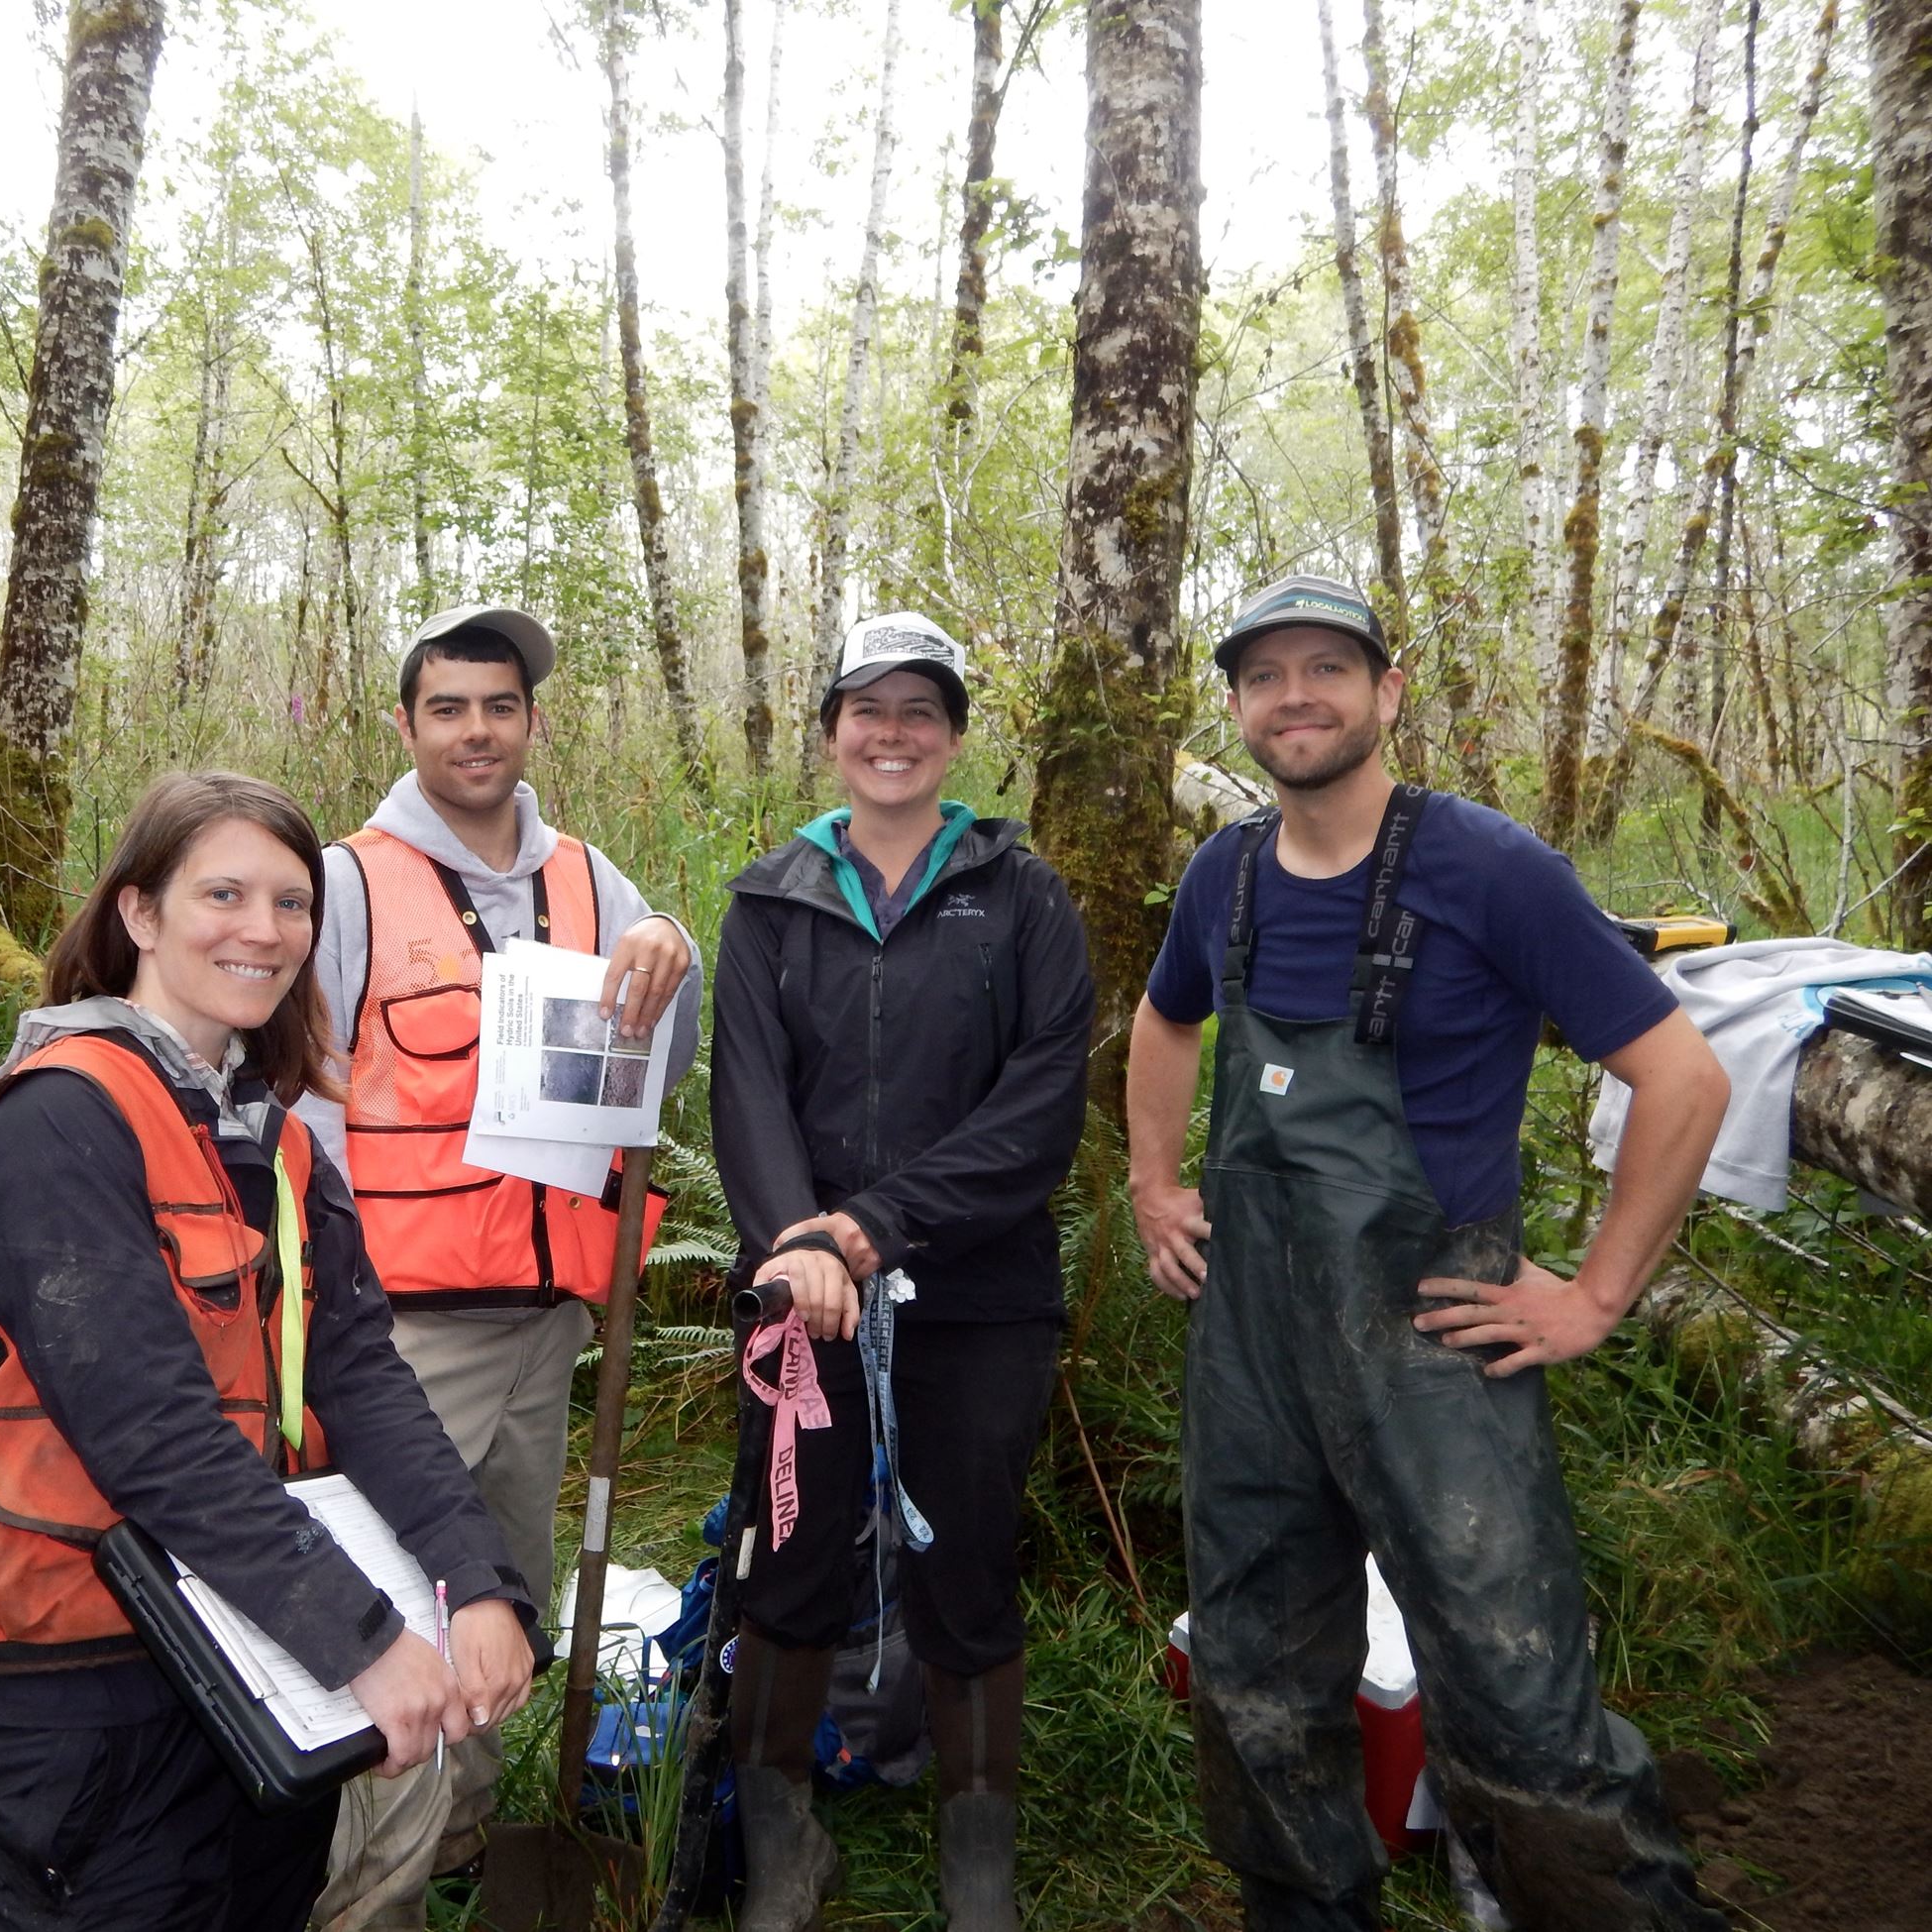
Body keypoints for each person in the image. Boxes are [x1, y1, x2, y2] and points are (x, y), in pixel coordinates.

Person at [1126, 574, 1733, 1931]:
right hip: (1254, 1356)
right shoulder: (1222, 873)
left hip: (1439, 1348)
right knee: (1256, 1680)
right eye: (1266, 673)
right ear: (1236, 706)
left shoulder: (1490, 867)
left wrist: (1593, 1295)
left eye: (1327, 668)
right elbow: (1166, 1026)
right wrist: (1154, 1185)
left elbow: (1684, 1080)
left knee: (1518, 1699)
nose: (1296, 695)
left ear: (1387, 692)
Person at [0, 772, 536, 1932]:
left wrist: (473, 1582)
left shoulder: (270, 1143)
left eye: (291, 902)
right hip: (78, 1688)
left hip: (255, 1665)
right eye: (222, 893)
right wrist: (365, 1640)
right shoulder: (54, 1128)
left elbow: (363, 1382)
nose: (263, 931)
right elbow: (149, 1433)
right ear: (137, 913)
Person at [295, 605, 702, 1932]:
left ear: (532, 721)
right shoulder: (348, 883)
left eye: (501, 705)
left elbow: (659, 1067)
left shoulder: (593, 879)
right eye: (449, 706)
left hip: (549, 1319)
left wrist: (674, 956)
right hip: (401, 1326)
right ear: (408, 725)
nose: (477, 729)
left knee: (505, 1595)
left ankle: (465, 1838)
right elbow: (301, 1106)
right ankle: (371, 1895)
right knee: (406, 1606)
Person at [709, 612, 1095, 1932]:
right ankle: (780, 1843)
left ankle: (975, 1857)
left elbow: (1040, 1107)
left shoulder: (1022, 892)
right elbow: (748, 1094)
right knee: (789, 1552)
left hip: (978, 1296)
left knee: (969, 1557)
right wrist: (799, 1246)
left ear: (953, 736)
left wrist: (868, 1227)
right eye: (866, 708)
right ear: (828, 732)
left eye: (919, 709)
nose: (891, 733)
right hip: (800, 1298)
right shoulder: (770, 899)